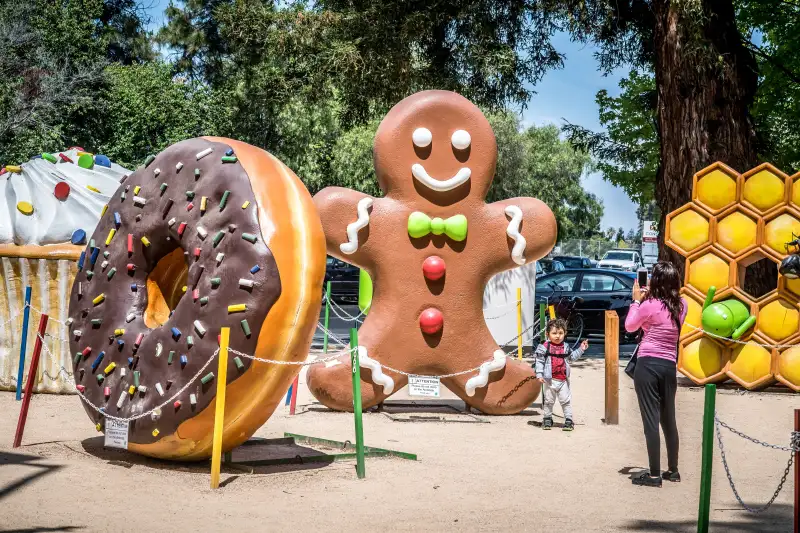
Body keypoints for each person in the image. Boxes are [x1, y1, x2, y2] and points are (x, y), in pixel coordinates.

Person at [625, 261, 687, 488]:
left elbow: (630, 326)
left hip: (648, 364)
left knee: (650, 419)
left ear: (656, 281)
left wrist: (635, 301)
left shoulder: (648, 305)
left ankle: (653, 475)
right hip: (669, 365)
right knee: (668, 419)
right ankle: (673, 470)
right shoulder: (682, 305)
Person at [534, 319, 589, 431]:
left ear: (565, 333)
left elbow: (572, 357)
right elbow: (539, 361)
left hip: (563, 380)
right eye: (554, 333)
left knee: (565, 401)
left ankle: (568, 420)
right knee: (549, 401)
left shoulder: (566, 347)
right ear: (547, 334)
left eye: (560, 333)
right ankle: (547, 418)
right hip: (549, 380)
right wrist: (539, 374)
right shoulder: (544, 347)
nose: (557, 336)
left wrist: (581, 349)